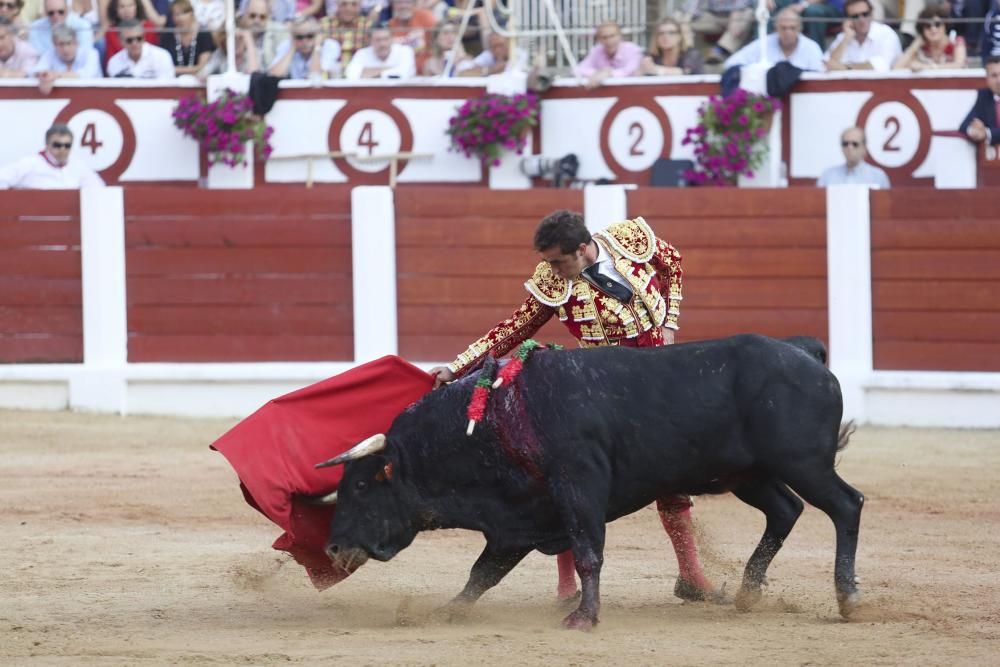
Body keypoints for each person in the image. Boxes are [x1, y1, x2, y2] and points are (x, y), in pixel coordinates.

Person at [428, 210, 723, 604]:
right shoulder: (553, 281)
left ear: (583, 248)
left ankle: (690, 575)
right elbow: (514, 328)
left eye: (557, 261)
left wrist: (670, 319)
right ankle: (567, 585)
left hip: (657, 381)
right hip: (600, 389)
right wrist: (457, 366)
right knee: (569, 479)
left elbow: (671, 262)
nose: (550, 268)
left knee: (671, 476)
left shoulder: (629, 240)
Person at [0, 122, 104, 189]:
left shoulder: (78, 166)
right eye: (57, 145)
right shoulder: (30, 164)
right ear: (47, 145)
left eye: (67, 145)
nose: (62, 149)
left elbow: (98, 189)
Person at [725, 7, 824, 71]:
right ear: (776, 29)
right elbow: (731, 63)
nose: (788, 32)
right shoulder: (763, 44)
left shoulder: (811, 47)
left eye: (792, 28)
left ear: (800, 29)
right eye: (783, 28)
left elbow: (819, 75)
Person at [825, 0, 901, 71]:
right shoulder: (844, 36)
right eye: (855, 16)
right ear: (848, 19)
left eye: (865, 14)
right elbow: (829, 65)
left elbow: (881, 65)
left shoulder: (886, 33)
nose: (861, 19)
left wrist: (846, 67)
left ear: (872, 14)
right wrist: (846, 38)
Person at [31, 22, 101, 92]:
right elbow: (35, 71)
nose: (65, 49)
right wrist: (44, 76)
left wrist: (56, 75)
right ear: (54, 45)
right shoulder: (50, 53)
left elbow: (87, 74)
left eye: (69, 43)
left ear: (76, 43)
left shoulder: (91, 53)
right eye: (61, 44)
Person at [894, 5, 967, 70]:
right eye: (928, 26)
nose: (933, 29)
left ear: (945, 26)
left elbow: (960, 65)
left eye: (937, 24)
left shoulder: (956, 42)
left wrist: (927, 67)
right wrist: (913, 47)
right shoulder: (920, 48)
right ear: (922, 30)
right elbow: (897, 68)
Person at [575, 19, 644, 89]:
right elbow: (577, 70)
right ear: (599, 39)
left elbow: (630, 71)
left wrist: (609, 73)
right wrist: (598, 73)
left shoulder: (632, 50)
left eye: (612, 36)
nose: (609, 41)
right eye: (604, 37)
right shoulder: (597, 50)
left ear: (620, 36)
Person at [268, 15, 340, 79]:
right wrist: (292, 48)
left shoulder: (330, 46)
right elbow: (274, 74)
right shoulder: (287, 45)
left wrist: (317, 47)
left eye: (309, 36)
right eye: (299, 37)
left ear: (317, 35)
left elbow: (316, 75)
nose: (304, 41)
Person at [816, 126, 891, 187]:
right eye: (845, 144)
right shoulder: (828, 176)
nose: (850, 148)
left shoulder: (878, 176)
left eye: (855, 144)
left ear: (864, 148)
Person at [686, 0, 755, 64]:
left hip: (736, 15)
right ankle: (687, 53)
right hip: (714, 16)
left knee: (745, 16)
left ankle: (719, 52)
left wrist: (735, 16)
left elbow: (743, 4)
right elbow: (691, 7)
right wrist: (689, 16)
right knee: (684, 20)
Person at [157, 0, 214, 76]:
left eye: (184, 13)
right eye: (176, 14)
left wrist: (175, 69)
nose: (180, 18)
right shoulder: (167, 36)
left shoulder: (204, 35)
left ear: (191, 13)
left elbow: (203, 67)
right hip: (173, 83)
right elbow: (163, 67)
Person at [344, 22, 415, 79]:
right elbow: (351, 74)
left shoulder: (405, 51)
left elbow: (405, 73)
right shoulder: (362, 53)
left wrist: (368, 73)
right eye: (378, 40)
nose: (382, 44)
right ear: (370, 41)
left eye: (386, 39)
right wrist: (391, 69)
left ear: (392, 38)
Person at [106, 19, 175, 77]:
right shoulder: (114, 62)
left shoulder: (161, 56)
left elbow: (167, 88)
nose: (135, 43)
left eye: (139, 38)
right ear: (121, 41)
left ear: (144, 37)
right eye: (129, 40)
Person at [103, 0, 159, 68]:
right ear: (115, 9)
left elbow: (153, 53)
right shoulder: (111, 31)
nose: (127, 10)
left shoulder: (148, 27)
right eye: (122, 6)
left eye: (130, 5)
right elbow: (110, 61)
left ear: (137, 7)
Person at [640, 18, 704, 76]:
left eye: (671, 33)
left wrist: (657, 70)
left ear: (680, 36)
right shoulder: (651, 57)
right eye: (661, 33)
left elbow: (687, 72)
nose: (665, 36)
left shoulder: (692, 54)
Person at [29, 0, 94, 57]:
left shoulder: (83, 26)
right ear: (45, 12)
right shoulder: (35, 27)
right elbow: (37, 55)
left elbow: (84, 54)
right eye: (51, 13)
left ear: (68, 10)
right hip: (47, 67)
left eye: (61, 12)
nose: (56, 16)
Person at [959, 55, 1000, 146]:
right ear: (987, 79)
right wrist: (974, 130)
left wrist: (986, 133)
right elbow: (964, 125)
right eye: (994, 75)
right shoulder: (984, 96)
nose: (999, 80)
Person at [768, 0, 842, 49]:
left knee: (813, 11)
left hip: (830, 8)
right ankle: (764, 49)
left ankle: (816, 54)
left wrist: (803, 4)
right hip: (796, 5)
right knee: (765, 11)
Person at [386, 0, 435, 72]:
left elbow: (438, 42)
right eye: (399, 2)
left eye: (407, 2)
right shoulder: (389, 26)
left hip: (425, 74)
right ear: (393, 5)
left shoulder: (426, 17)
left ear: (414, 4)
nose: (403, 6)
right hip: (399, 73)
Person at [322, 0, 372, 70]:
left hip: (359, 74)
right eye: (344, 4)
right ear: (337, 5)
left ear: (360, 6)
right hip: (332, 74)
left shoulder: (368, 25)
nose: (348, 9)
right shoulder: (324, 24)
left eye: (354, 4)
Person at [455, 30, 522, 76]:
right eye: (494, 47)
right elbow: (463, 71)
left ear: (509, 44)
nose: (497, 50)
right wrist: (490, 70)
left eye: (501, 45)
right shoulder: (488, 55)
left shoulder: (520, 55)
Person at [243, 0, 287, 69]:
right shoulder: (237, 31)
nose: (257, 21)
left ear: (269, 17)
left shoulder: (279, 32)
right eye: (252, 16)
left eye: (262, 17)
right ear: (245, 14)